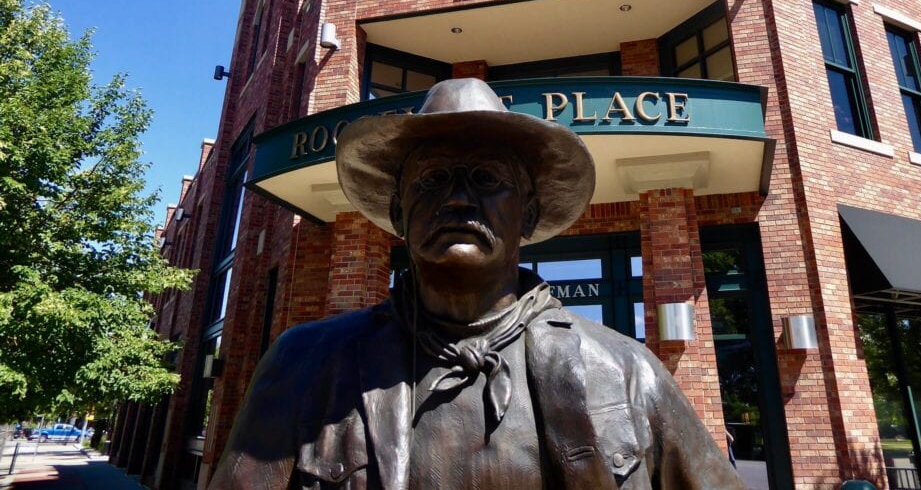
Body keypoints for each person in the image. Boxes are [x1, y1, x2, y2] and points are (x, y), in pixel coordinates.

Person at [209, 78, 743, 489]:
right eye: (433, 179)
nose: (459, 199)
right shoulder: (307, 364)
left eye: (487, 180)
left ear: (529, 216)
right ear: (399, 213)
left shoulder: (628, 372)